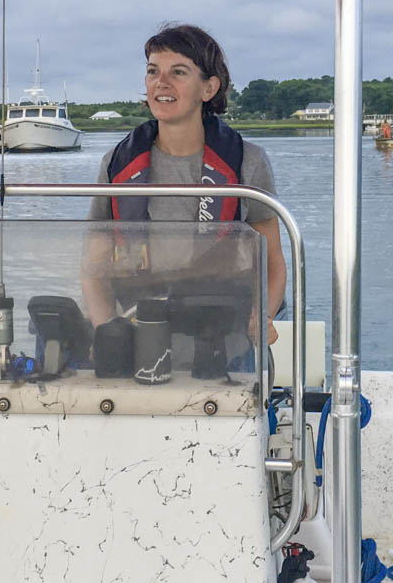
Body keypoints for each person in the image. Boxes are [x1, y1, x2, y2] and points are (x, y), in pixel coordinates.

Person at [84, 24, 285, 344]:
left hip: (222, 332)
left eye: (178, 72)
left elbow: (272, 263)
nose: (161, 82)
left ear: (209, 88)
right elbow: (94, 268)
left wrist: (262, 317)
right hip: (140, 329)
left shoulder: (248, 162)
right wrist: (106, 331)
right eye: (153, 71)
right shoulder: (115, 164)